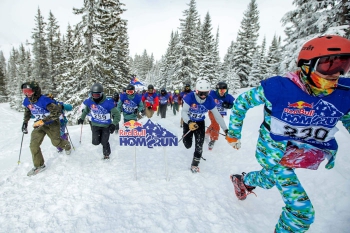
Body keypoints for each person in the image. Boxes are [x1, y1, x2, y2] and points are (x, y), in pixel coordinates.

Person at [226, 35, 350, 233]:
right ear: (307, 65)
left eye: (344, 65)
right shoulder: (279, 89)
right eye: (329, 65)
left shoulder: (344, 94)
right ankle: (244, 181)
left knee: (268, 180)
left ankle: (242, 180)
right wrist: (233, 133)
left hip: (300, 153)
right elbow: (242, 103)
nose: (336, 73)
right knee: (301, 214)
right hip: (273, 153)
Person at [21, 81, 71, 176]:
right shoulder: (27, 101)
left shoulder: (44, 100)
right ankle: (39, 165)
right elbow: (27, 111)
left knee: (56, 142)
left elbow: (56, 112)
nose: (27, 94)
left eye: (29, 91)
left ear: (35, 91)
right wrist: (25, 122)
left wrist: (43, 121)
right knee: (33, 145)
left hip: (52, 123)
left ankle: (67, 145)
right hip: (39, 124)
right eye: (25, 92)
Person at [181, 79, 228, 173]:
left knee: (199, 144)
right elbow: (184, 112)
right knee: (187, 145)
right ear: (196, 91)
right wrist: (189, 122)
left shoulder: (209, 100)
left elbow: (217, 116)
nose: (203, 96)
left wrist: (226, 130)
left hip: (200, 123)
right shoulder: (190, 97)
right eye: (200, 93)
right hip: (188, 123)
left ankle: (195, 164)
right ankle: (185, 137)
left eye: (205, 93)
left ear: (209, 92)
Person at [77, 83, 120, 160]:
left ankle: (106, 154)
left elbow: (117, 115)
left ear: (101, 94)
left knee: (104, 142)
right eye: (93, 95)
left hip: (106, 126)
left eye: (97, 95)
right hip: (95, 125)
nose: (95, 97)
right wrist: (82, 118)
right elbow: (86, 110)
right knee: (95, 142)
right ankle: (102, 139)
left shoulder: (108, 103)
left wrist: (113, 124)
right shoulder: (90, 101)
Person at [205, 82, 235, 150]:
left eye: (224, 90)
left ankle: (206, 133)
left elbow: (232, 105)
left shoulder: (228, 97)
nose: (222, 92)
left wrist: (228, 105)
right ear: (217, 90)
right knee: (215, 123)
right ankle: (213, 139)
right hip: (212, 112)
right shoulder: (212, 94)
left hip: (221, 113)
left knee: (214, 123)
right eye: (220, 90)